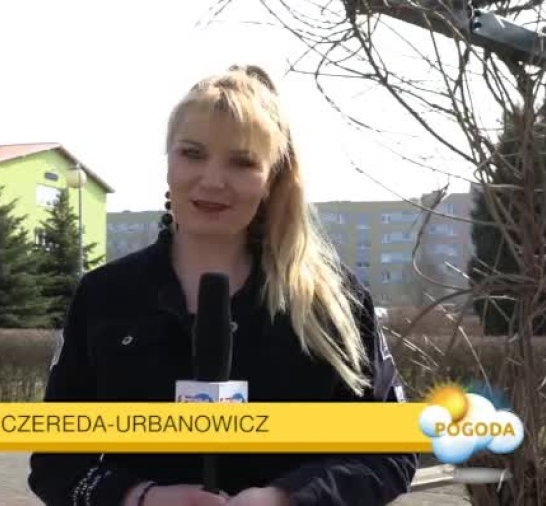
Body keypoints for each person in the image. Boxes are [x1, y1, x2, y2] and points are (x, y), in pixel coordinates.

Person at [28, 64, 418, 506]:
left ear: (272, 179)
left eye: (242, 162)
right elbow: (55, 464)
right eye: (192, 153)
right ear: (168, 161)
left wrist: (287, 498)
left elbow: (391, 450)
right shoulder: (105, 295)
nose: (212, 180)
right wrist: (140, 497)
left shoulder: (333, 301)